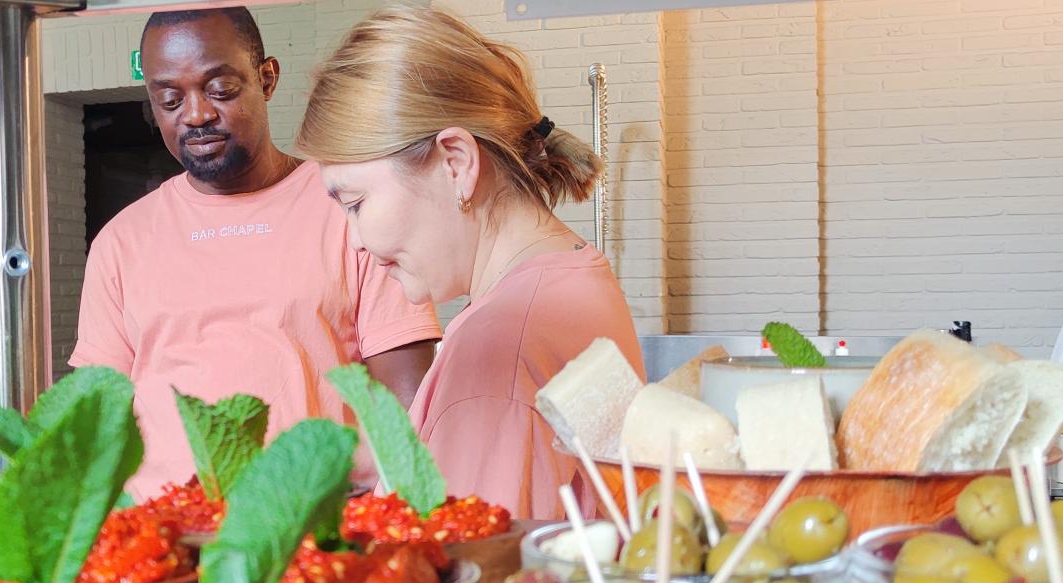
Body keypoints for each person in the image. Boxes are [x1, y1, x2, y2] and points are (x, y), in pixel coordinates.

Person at [73, 7, 441, 499]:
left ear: (266, 79)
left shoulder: (349, 207)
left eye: (220, 89)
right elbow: (96, 425)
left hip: (314, 524)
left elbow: (407, 407)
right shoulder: (120, 241)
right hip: (163, 534)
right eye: (169, 99)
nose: (197, 114)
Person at [296, 5, 644, 519]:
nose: (355, 241)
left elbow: (476, 567)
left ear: (455, 161)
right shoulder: (568, 277)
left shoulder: (498, 346)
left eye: (355, 204)